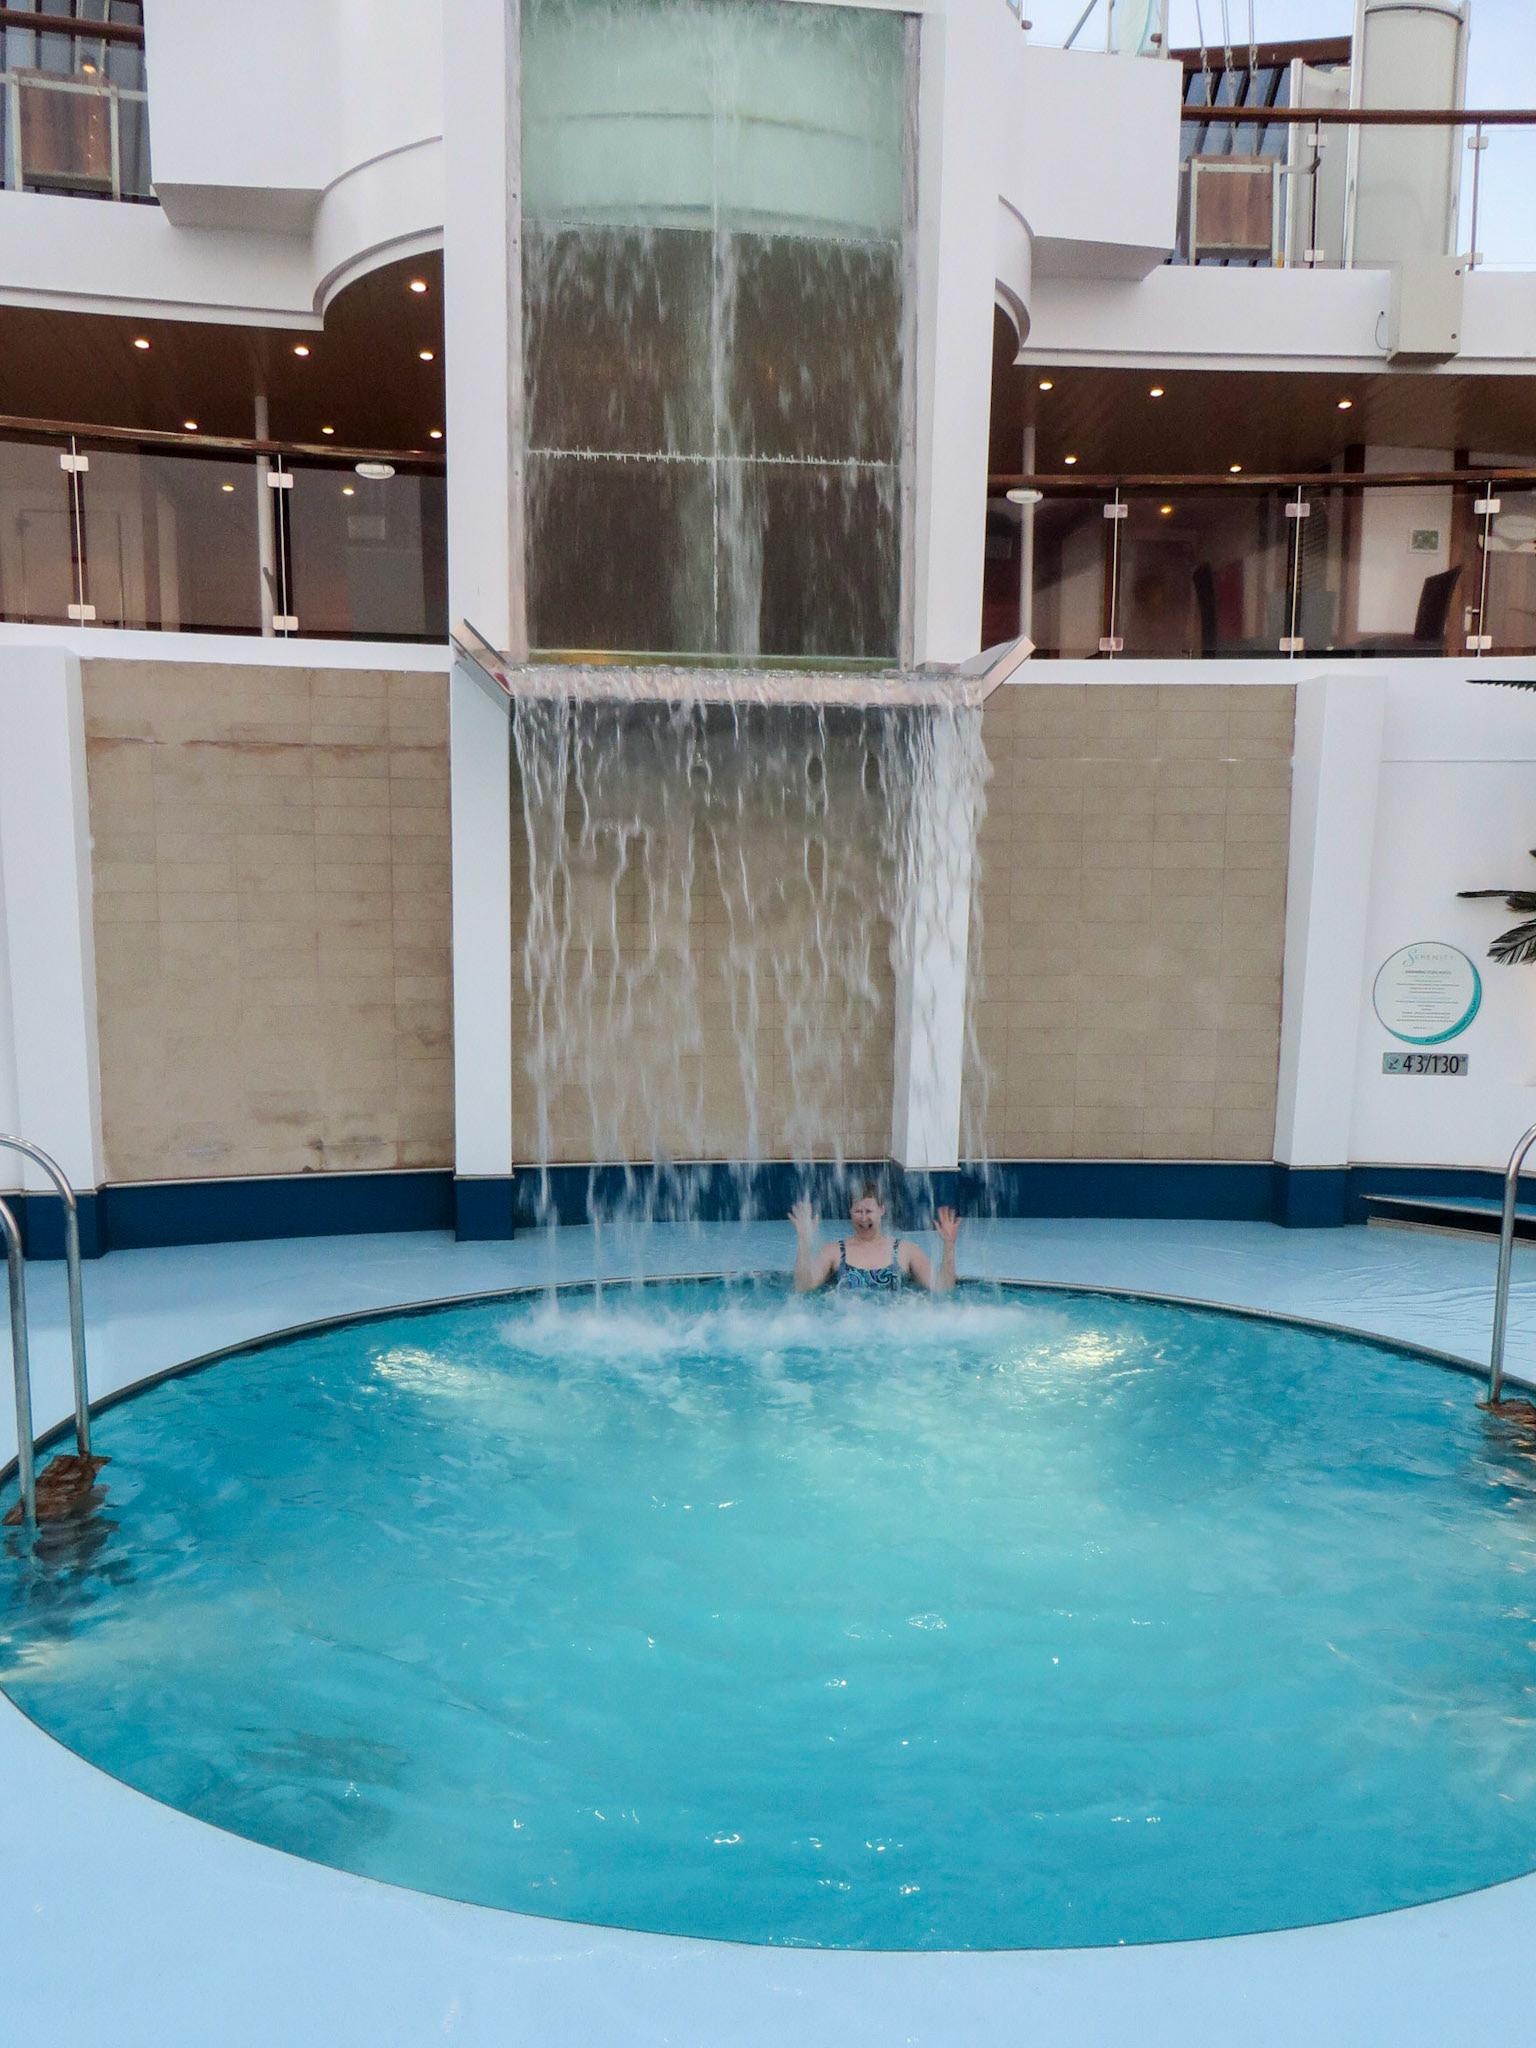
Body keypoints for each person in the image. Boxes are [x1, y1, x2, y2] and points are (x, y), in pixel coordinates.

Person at [789, 1182, 959, 1295]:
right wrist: (804, 1241)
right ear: (850, 1212)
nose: (864, 1218)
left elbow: (943, 1287)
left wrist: (948, 1244)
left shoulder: (906, 1251)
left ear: (882, 1210)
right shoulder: (833, 1252)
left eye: (869, 1211)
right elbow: (803, 1287)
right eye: (858, 1211)